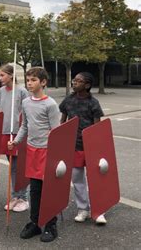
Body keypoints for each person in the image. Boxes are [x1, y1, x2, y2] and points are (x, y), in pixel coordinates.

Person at [8, 67, 61, 243]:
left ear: (43, 82)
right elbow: (25, 126)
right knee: (35, 189)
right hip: (32, 150)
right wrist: (16, 141)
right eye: (28, 80)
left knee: (49, 188)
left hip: (47, 151)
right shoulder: (26, 102)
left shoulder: (50, 104)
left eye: (33, 80)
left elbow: (56, 130)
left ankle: (51, 224)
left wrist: (53, 138)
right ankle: (35, 222)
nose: (29, 83)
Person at [59, 72, 106, 225]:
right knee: (77, 179)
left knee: (95, 179)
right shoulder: (68, 101)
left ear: (87, 85)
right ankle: (83, 209)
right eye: (74, 80)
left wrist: (98, 148)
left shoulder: (93, 103)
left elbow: (97, 127)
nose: (74, 83)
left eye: (78, 81)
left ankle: (98, 210)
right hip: (74, 147)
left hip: (91, 147)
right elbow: (62, 122)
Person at [0, 64, 30, 212]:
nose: (0, 78)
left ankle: (22, 197)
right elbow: (0, 111)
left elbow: (27, 112)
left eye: (2, 75)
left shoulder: (22, 91)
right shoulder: (1, 91)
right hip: (5, 132)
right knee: (12, 166)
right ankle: (16, 196)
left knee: (19, 166)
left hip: (18, 132)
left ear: (11, 75)